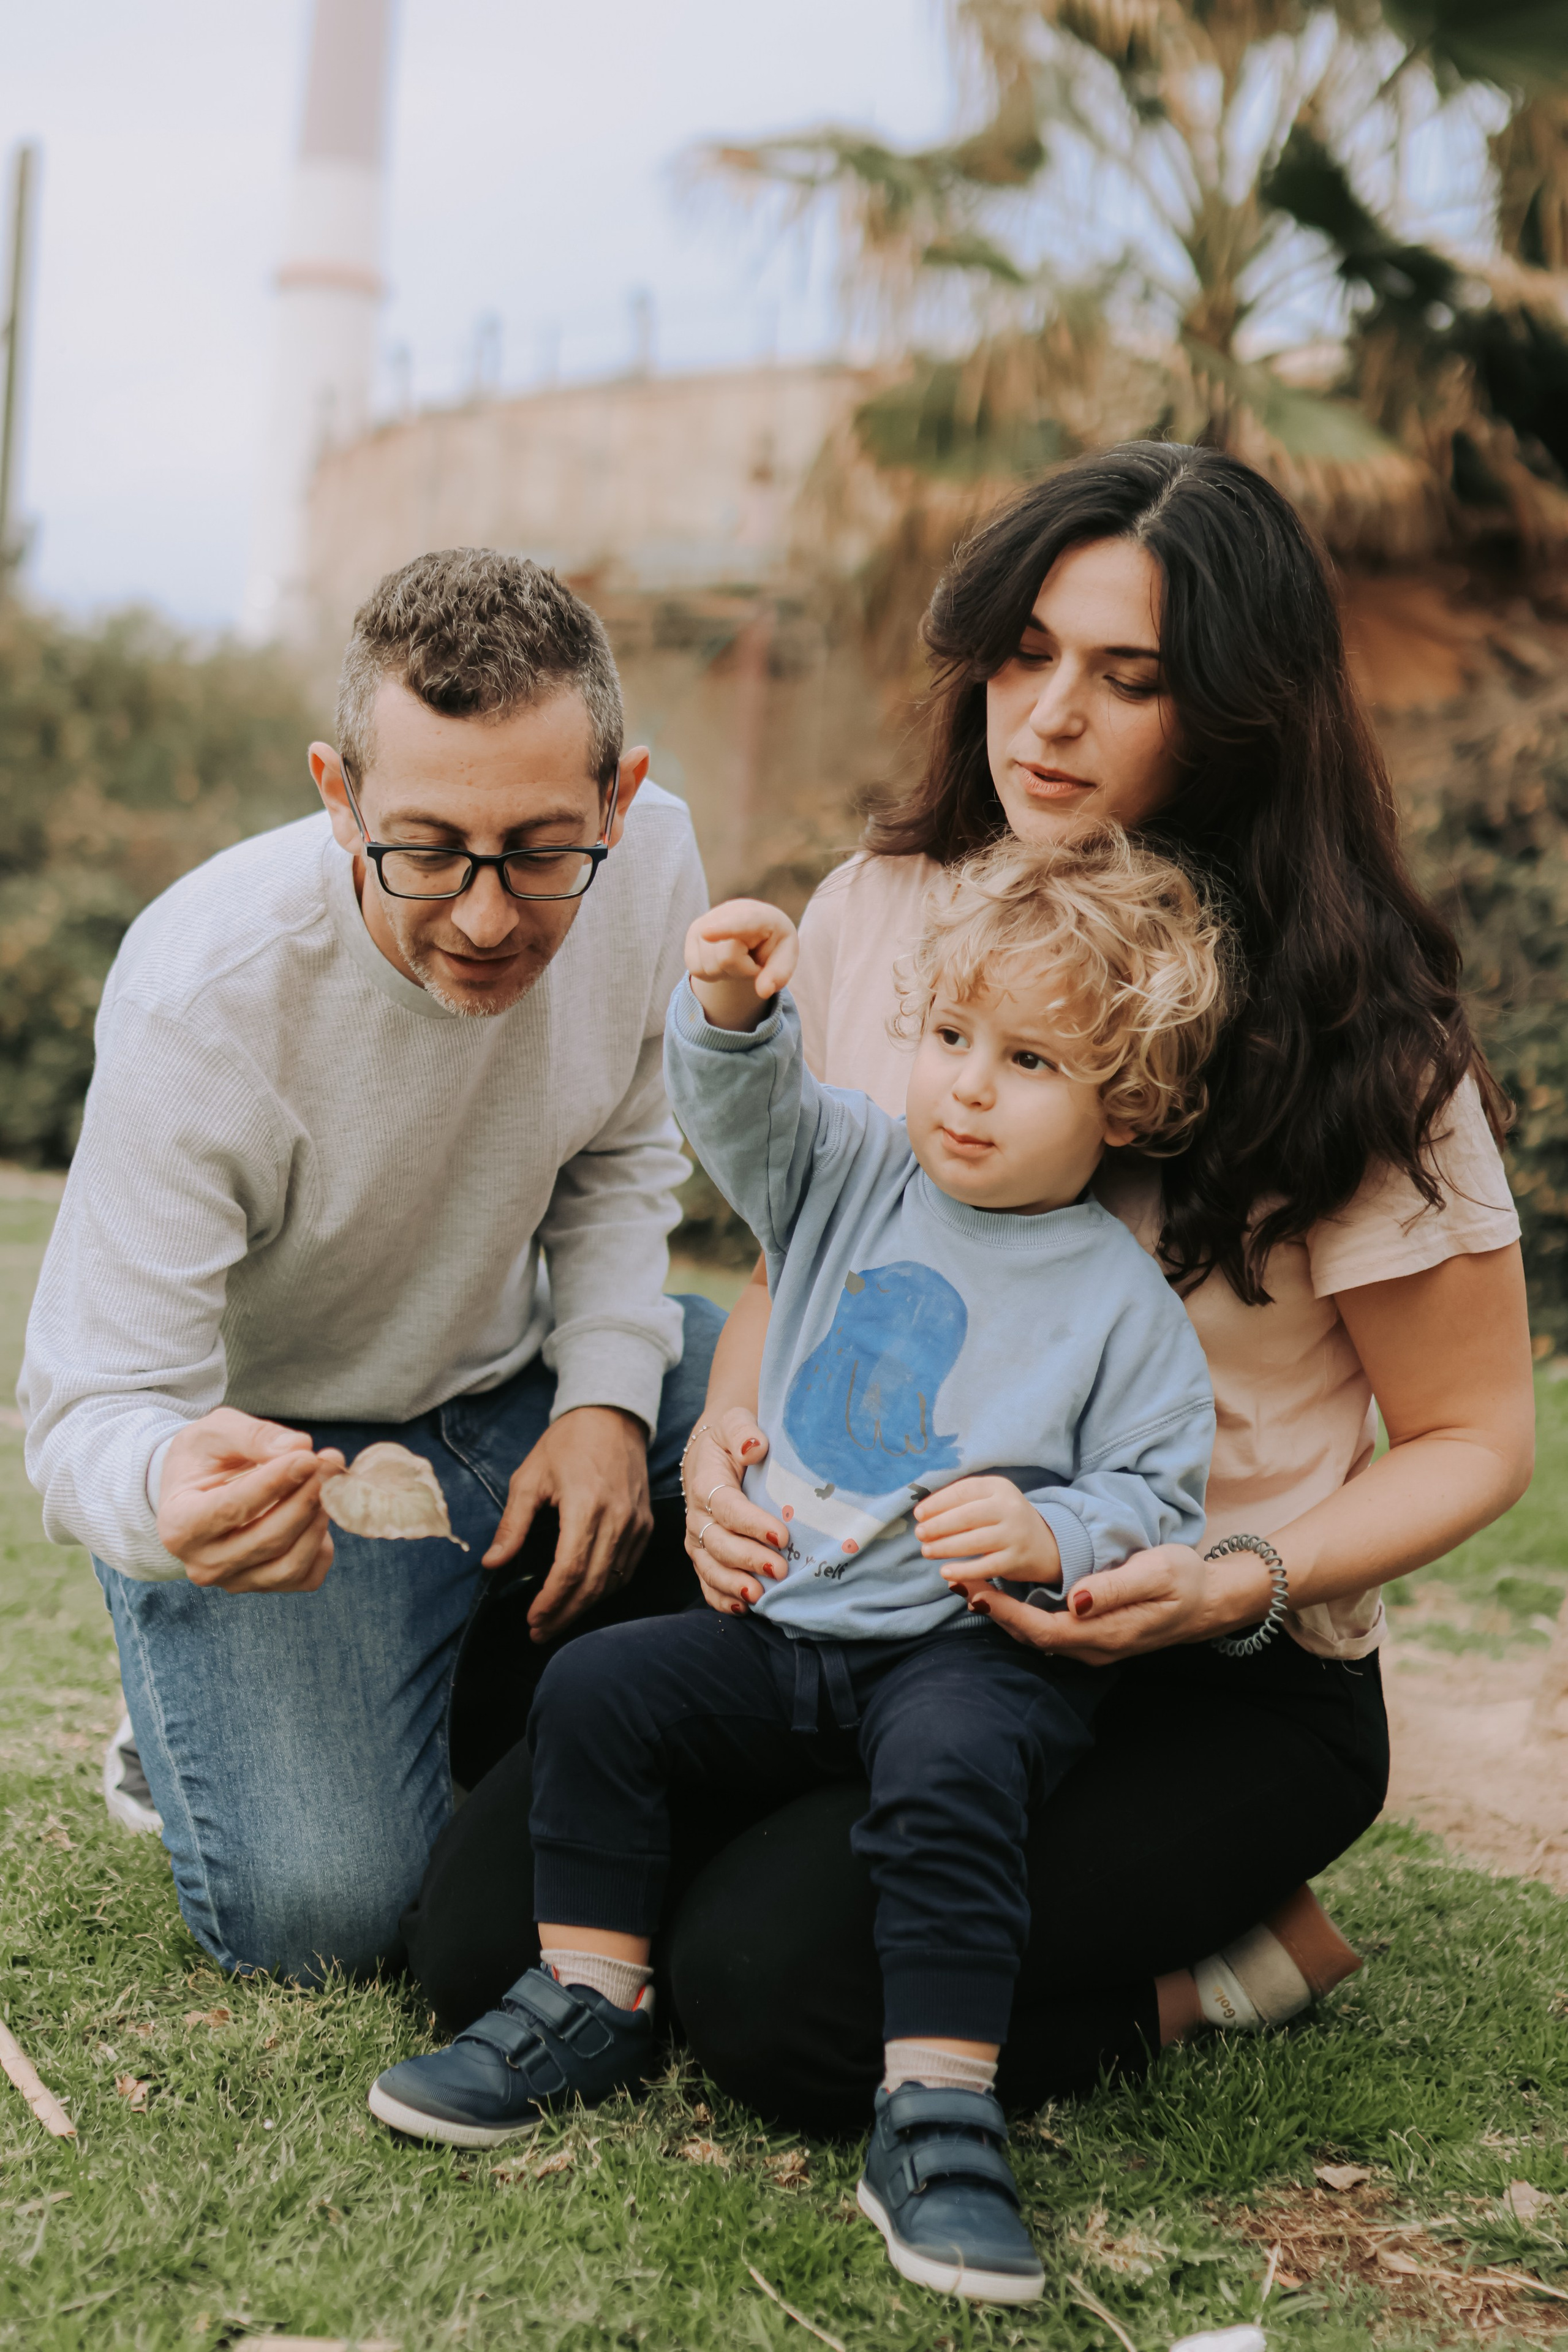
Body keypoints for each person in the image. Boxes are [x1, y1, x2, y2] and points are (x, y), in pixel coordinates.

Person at [399, 444, 1535, 2133]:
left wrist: (1241, 1576)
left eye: (1125, 677)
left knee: (774, 1997)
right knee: (479, 1938)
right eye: (1024, 654)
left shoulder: (1365, 1042)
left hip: (1189, 1662)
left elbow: (1475, 1434)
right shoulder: (892, 908)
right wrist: (725, 1442)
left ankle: (1230, 1964)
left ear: (1238, 708)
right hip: (866, 1597)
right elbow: (823, 1248)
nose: (1049, 716)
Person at [368, 835, 1224, 2302]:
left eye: (1026, 1062)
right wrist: (730, 1012)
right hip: (787, 1623)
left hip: (968, 1651)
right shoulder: (851, 1169)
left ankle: (937, 2104)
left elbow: (1158, 1492)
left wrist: (1050, 1534)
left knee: (954, 1766)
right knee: (600, 1689)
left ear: (1124, 1102)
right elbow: (741, 1115)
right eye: (950, 1037)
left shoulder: (1116, 1300)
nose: (964, 1083)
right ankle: (590, 1993)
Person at [20, 548, 723, 1982]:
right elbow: (85, 1408)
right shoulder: (202, 994)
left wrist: (602, 1397)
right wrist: (169, 1497)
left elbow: (621, 1153)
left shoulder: (652, 868)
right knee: (325, 1920)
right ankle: (192, 1713)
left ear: (619, 795)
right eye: (425, 849)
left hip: (519, 1388)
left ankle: (453, 1662)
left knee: (809, 1420)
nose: (481, 916)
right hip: (293, 1468)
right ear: (337, 795)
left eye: (540, 851)